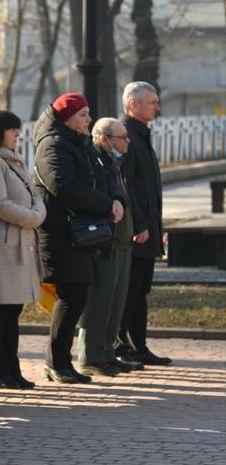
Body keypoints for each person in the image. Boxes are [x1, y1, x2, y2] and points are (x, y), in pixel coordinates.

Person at [33, 92, 126, 384]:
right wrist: (104, 204)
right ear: (67, 117)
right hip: (60, 233)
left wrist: (115, 198)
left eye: (88, 114)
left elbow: (102, 176)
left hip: (79, 233)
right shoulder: (53, 145)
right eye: (83, 115)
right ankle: (56, 362)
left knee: (77, 295)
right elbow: (63, 187)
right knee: (70, 296)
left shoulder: (79, 143)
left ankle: (62, 360)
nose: (89, 120)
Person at [0, 109, 46, 388]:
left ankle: (12, 370)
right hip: (1, 246)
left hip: (19, 241)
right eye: (12, 129)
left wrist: (37, 211)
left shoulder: (13, 160)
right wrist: (34, 217)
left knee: (12, 310)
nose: (18, 134)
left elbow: (33, 194)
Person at [77, 118, 139, 376]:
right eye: (121, 137)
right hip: (105, 241)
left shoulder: (114, 163)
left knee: (115, 305)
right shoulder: (95, 160)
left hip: (122, 241)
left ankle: (107, 352)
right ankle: (90, 355)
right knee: (99, 303)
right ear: (104, 139)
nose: (127, 141)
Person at [117, 82, 172, 366]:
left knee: (140, 291)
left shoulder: (141, 134)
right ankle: (120, 345)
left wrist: (156, 227)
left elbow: (148, 188)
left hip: (148, 229)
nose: (157, 107)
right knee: (130, 290)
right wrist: (139, 224)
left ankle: (138, 345)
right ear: (133, 105)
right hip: (136, 232)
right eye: (152, 102)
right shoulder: (124, 135)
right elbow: (127, 187)